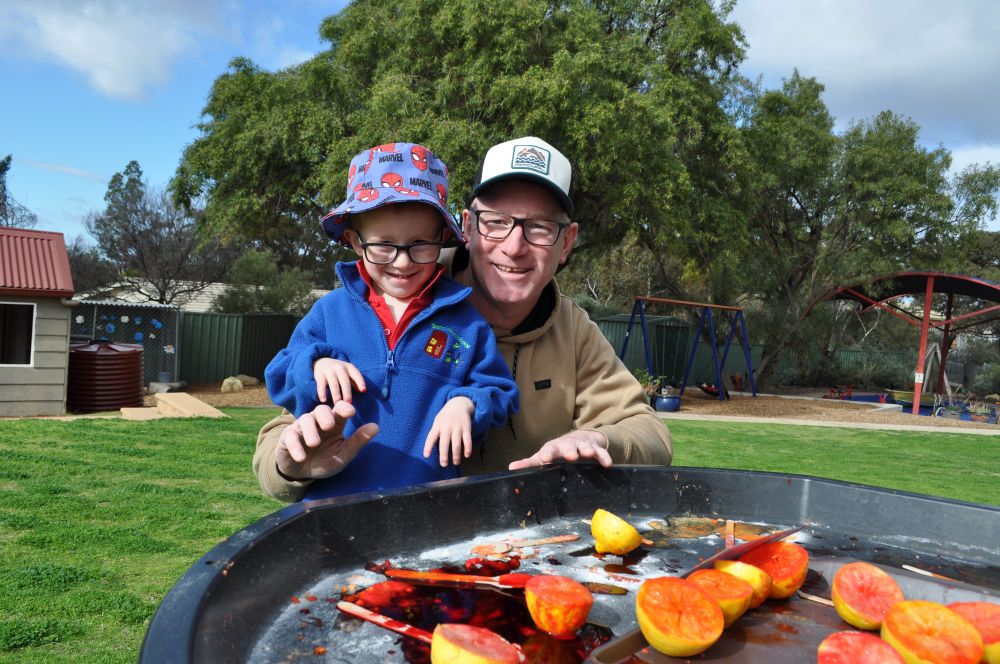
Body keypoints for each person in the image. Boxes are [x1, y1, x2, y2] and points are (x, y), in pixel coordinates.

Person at [254, 136, 672, 502]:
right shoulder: (351, 310)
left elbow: (648, 432)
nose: (514, 247)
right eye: (496, 223)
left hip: (499, 544)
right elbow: (289, 420)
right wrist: (291, 466)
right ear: (467, 227)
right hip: (349, 523)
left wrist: (596, 438)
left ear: (567, 243)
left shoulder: (571, 331)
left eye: (541, 228)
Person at [263, 142, 518, 499]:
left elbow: (500, 391)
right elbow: (279, 373)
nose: (402, 262)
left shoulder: (466, 323)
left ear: (442, 239)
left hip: (429, 514)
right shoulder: (329, 312)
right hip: (330, 512)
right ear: (354, 242)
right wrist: (315, 364)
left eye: (419, 244)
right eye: (383, 245)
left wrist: (467, 403)